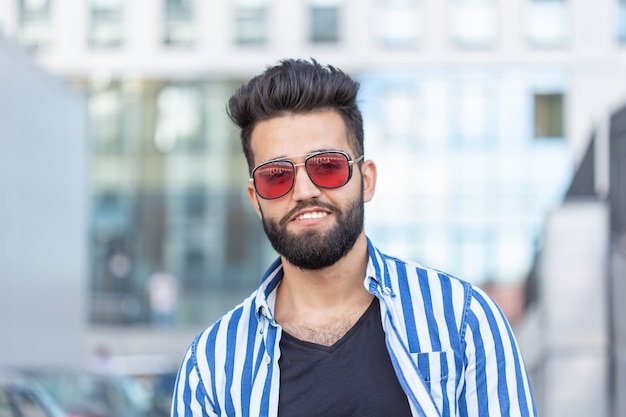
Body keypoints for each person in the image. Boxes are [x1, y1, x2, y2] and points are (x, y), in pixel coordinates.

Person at [171, 59, 537, 417]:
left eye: (327, 166)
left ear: (367, 179)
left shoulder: (462, 320)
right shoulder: (211, 366)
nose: (304, 191)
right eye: (276, 175)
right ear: (256, 199)